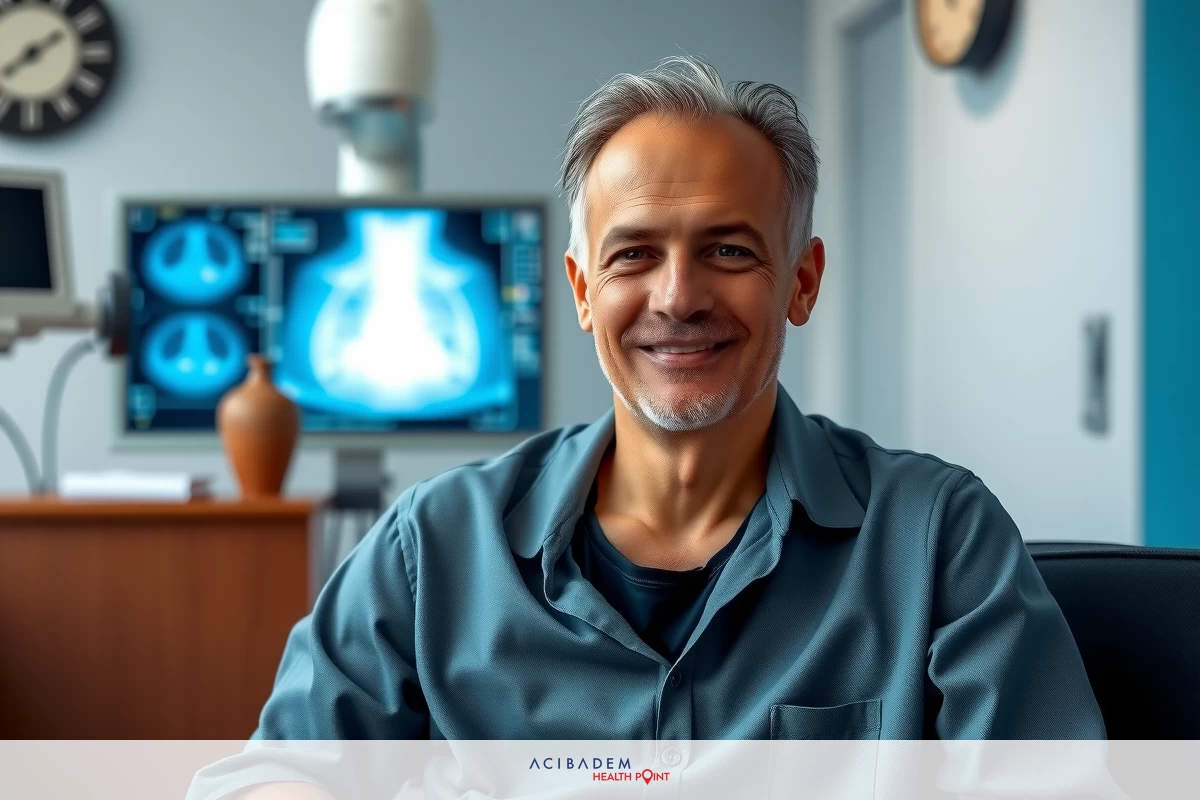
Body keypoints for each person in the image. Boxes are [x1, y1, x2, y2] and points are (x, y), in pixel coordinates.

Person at [249, 55, 1104, 743]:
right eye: (633, 257)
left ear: (801, 283)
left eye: (729, 252)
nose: (678, 297)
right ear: (583, 292)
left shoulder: (937, 541)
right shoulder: (431, 550)